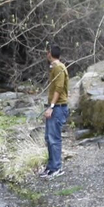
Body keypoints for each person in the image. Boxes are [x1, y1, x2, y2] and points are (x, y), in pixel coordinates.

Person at [41, 44, 69, 178]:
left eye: (47, 53)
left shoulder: (58, 67)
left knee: (54, 139)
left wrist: (51, 107)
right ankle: (50, 167)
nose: (46, 55)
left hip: (58, 108)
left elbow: (59, 88)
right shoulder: (55, 67)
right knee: (49, 137)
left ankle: (57, 168)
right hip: (55, 107)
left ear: (50, 54)